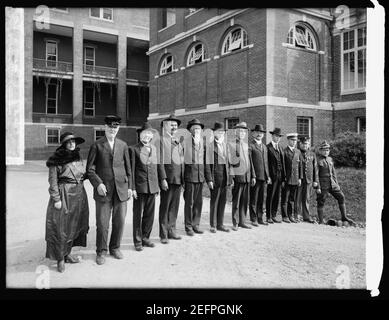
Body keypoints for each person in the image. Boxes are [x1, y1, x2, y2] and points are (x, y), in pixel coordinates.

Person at [86, 115, 133, 265]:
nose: (113, 130)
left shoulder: (123, 145)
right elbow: (90, 170)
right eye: (110, 127)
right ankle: (101, 251)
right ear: (105, 128)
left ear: (118, 128)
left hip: (121, 189)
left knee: (119, 221)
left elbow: (128, 168)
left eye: (115, 127)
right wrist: (98, 184)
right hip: (104, 191)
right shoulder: (97, 145)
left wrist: (130, 187)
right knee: (102, 223)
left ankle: (115, 247)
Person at [45, 132, 89, 273]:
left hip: (79, 195)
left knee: (73, 226)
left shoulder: (78, 158)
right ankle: (60, 259)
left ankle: (68, 254)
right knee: (60, 228)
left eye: (73, 142)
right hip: (64, 194)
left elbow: (83, 174)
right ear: (64, 144)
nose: (72, 144)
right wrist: (56, 199)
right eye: (69, 142)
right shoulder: (56, 160)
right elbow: (53, 181)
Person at [130, 122, 163, 250]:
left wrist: (158, 185)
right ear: (140, 135)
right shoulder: (133, 149)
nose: (147, 136)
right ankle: (138, 241)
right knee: (138, 215)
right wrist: (132, 188)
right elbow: (131, 170)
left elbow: (157, 168)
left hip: (152, 187)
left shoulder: (154, 149)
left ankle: (145, 238)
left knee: (149, 215)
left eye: (149, 133)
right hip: (139, 188)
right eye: (145, 133)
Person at [316, 140, 356, 225]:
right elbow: (316, 175)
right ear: (320, 151)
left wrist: (337, 184)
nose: (326, 152)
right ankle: (321, 221)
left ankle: (344, 217)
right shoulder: (318, 160)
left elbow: (333, 173)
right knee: (321, 201)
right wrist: (318, 187)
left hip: (332, 184)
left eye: (327, 150)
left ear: (329, 151)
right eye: (324, 150)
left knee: (341, 197)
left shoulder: (330, 159)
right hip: (323, 185)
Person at [159, 114, 185, 243]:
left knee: (174, 207)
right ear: (165, 126)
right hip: (168, 180)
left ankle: (172, 230)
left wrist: (183, 179)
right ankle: (163, 234)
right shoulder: (161, 140)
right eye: (171, 124)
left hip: (178, 179)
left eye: (175, 125)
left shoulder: (178, 141)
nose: (174, 127)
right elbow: (160, 161)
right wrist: (163, 178)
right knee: (165, 207)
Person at [183, 118, 209, 236]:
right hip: (189, 177)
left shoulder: (203, 143)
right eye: (194, 128)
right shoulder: (185, 142)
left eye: (198, 128)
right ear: (190, 130)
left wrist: (207, 178)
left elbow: (205, 161)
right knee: (189, 203)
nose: (197, 130)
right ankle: (188, 227)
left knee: (198, 203)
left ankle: (195, 225)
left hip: (200, 177)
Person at [205, 122, 232, 233]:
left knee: (222, 201)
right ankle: (213, 225)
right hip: (215, 178)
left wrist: (231, 178)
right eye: (218, 131)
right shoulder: (210, 146)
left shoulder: (226, 146)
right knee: (214, 202)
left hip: (225, 178)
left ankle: (220, 224)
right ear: (214, 133)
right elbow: (207, 164)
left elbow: (229, 163)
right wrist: (209, 179)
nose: (220, 134)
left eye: (222, 132)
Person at [229, 122, 256, 231]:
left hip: (247, 177)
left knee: (245, 201)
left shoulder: (246, 145)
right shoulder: (231, 145)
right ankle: (235, 222)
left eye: (244, 131)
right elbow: (230, 163)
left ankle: (242, 221)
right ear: (236, 132)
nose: (242, 133)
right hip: (238, 177)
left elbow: (250, 162)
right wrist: (231, 178)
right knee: (237, 201)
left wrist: (253, 175)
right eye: (240, 131)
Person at [249, 124, 271, 226]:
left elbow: (266, 163)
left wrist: (268, 176)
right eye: (257, 132)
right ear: (253, 133)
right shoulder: (251, 146)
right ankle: (253, 219)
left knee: (261, 198)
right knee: (254, 198)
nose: (259, 134)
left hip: (263, 176)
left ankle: (260, 217)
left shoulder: (264, 147)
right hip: (255, 177)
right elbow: (250, 163)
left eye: (261, 133)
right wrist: (253, 176)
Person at [296, 135, 319, 223]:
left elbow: (315, 168)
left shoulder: (312, 154)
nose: (304, 145)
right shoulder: (297, 153)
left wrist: (315, 180)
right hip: (299, 180)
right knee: (297, 198)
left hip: (309, 179)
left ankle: (306, 216)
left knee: (307, 198)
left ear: (308, 144)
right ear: (300, 144)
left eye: (306, 144)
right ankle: (297, 215)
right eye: (303, 144)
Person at [280, 133, 303, 223]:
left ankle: (290, 215)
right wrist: (283, 179)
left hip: (295, 179)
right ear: (288, 141)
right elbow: (283, 166)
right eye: (292, 140)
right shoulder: (284, 151)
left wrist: (300, 178)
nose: (294, 142)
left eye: (295, 141)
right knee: (285, 198)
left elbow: (300, 165)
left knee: (292, 199)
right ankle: (284, 216)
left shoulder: (298, 152)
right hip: (287, 179)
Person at [266, 128, 285, 224]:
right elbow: (266, 164)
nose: (278, 138)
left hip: (280, 176)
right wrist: (268, 176)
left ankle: (273, 215)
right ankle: (268, 216)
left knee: (277, 196)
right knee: (270, 195)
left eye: (279, 137)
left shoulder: (281, 148)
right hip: (272, 176)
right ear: (272, 136)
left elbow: (283, 163)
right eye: (276, 136)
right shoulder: (268, 148)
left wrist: (284, 177)